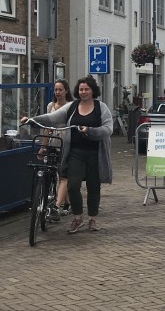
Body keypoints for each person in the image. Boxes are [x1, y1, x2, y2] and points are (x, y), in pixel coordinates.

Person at [26, 76, 113, 233]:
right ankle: (77, 218)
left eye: (86, 89)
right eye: (81, 89)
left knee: (94, 186)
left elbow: (108, 129)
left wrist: (91, 130)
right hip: (75, 153)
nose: (83, 92)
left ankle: (92, 218)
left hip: (95, 153)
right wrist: (32, 120)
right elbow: (53, 117)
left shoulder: (101, 107)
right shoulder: (72, 107)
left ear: (93, 90)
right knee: (72, 185)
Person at [46, 79, 73, 214]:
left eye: (60, 90)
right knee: (54, 174)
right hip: (53, 143)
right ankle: (67, 202)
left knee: (63, 176)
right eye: (56, 90)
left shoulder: (71, 106)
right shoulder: (50, 106)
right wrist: (43, 145)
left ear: (66, 91)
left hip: (66, 143)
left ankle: (57, 205)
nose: (57, 92)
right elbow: (47, 126)